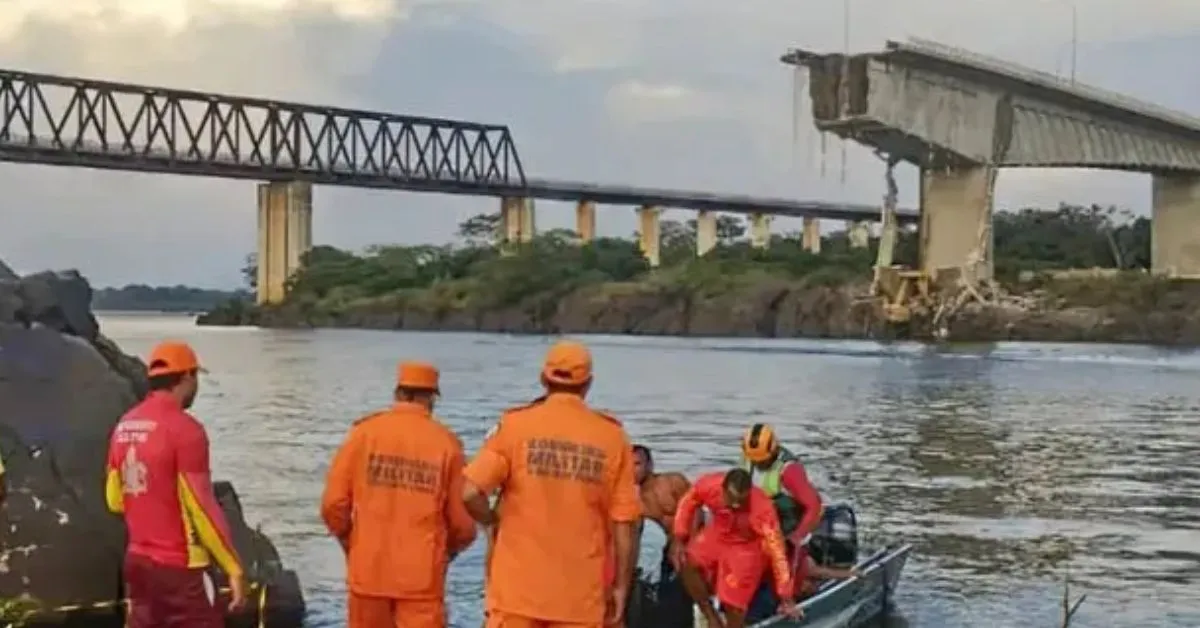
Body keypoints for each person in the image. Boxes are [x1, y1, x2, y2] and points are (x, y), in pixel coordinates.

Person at [462, 340, 642, 628]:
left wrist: (494, 521)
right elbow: (625, 525)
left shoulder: (515, 426)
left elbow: (470, 492)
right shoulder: (612, 437)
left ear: (544, 379)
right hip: (578, 599)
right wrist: (621, 587)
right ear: (588, 384)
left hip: (516, 594)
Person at [320, 361, 477, 628]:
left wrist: (351, 541)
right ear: (431, 398)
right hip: (422, 580)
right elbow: (463, 524)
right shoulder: (447, 444)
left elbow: (333, 505)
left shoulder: (363, 435)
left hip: (368, 573)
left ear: (398, 394)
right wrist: (445, 553)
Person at [104, 340, 247, 628]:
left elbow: (114, 499)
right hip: (182, 569)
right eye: (195, 378)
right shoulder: (185, 430)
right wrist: (234, 568)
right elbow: (201, 506)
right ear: (187, 378)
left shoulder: (124, 425)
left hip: (139, 564)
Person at [740, 424, 854, 618]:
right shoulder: (749, 460)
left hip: (788, 526)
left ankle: (793, 594)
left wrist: (798, 534)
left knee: (786, 576)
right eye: (755, 461)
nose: (758, 465)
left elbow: (813, 505)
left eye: (762, 461)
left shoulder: (789, 471)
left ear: (773, 450)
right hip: (762, 525)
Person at [670, 468, 798, 628]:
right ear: (722, 489)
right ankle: (711, 617)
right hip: (718, 533)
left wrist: (786, 596)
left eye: (741, 501)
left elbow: (778, 552)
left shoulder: (763, 509)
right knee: (687, 561)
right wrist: (678, 537)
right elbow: (688, 501)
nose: (736, 505)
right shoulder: (709, 484)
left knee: (734, 602)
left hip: (746, 545)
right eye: (732, 499)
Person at [631, 445, 695, 628]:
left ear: (649, 465)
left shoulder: (671, 481)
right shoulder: (630, 497)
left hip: (688, 538)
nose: (632, 470)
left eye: (637, 464)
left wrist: (680, 540)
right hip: (661, 552)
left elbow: (695, 507)